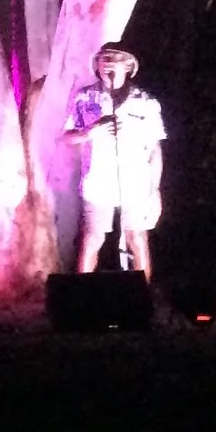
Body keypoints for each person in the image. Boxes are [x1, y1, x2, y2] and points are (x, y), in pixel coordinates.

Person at [65, 44, 164, 279]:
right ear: (97, 67)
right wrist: (90, 132)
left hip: (135, 182)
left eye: (116, 58)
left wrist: (154, 189)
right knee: (92, 238)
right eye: (103, 58)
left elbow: (155, 149)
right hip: (98, 181)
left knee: (136, 239)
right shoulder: (83, 98)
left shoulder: (146, 102)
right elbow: (66, 137)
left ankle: (142, 298)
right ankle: (81, 297)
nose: (108, 62)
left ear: (128, 66)